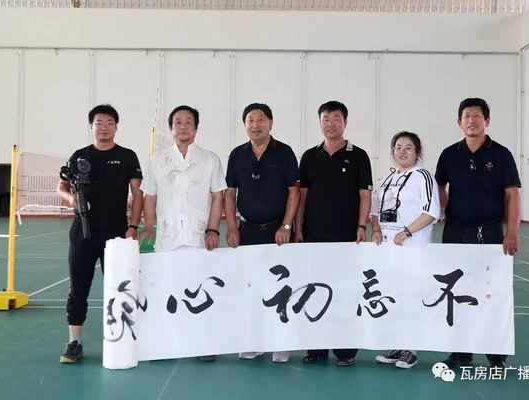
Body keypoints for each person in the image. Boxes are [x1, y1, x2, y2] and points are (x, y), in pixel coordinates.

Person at [435, 97, 521, 369]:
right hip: (455, 232)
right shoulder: (449, 154)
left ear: (487, 121)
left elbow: (512, 194)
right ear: (459, 123)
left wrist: (512, 232)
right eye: (466, 116)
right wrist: (443, 209)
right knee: (457, 292)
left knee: (489, 292)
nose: (471, 121)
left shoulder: (501, 154)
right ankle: (461, 353)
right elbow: (438, 186)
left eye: (477, 116)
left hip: (491, 233)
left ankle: (495, 355)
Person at [58, 104, 143, 363]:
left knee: (120, 287)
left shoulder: (127, 156)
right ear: (91, 126)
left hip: (116, 233)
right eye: (98, 122)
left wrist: (133, 226)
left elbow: (137, 194)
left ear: (116, 127)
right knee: (78, 288)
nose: (103, 127)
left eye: (109, 122)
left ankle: (123, 340)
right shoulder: (79, 156)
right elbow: (61, 187)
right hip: (82, 232)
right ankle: (74, 342)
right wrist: (72, 200)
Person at [295, 100, 373, 367]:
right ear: (320, 123)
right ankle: (316, 349)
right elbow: (302, 197)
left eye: (336, 119)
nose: (330, 124)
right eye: (325, 119)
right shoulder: (309, 156)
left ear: (345, 123)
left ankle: (345, 350)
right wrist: (298, 229)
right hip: (314, 236)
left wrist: (361, 226)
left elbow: (365, 195)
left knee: (345, 292)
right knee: (314, 290)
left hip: (346, 236)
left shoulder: (359, 155)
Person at [225, 103, 299, 363]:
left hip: (277, 233)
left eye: (261, 120)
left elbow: (294, 192)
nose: (255, 125)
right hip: (247, 232)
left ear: (270, 123)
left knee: (280, 288)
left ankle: (281, 342)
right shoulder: (237, 154)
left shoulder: (284, 152)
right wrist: (232, 228)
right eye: (250, 120)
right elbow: (230, 194)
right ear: (245, 125)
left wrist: (286, 226)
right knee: (251, 287)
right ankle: (254, 341)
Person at [371, 131, 440, 369]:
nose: (402, 151)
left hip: (412, 247)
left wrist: (407, 232)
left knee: (411, 297)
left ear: (417, 152)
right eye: (398, 147)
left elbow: (431, 212)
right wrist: (376, 229)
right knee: (394, 296)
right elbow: (375, 210)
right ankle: (397, 346)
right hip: (388, 249)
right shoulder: (388, 178)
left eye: (408, 147)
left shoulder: (423, 176)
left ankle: (410, 350)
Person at [140, 105, 225, 253]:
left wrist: (213, 230)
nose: (183, 127)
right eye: (178, 122)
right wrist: (148, 227)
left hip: (199, 238)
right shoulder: (156, 159)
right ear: (171, 128)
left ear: (196, 128)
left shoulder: (210, 159)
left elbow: (218, 196)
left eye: (188, 122)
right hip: (166, 239)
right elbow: (150, 197)